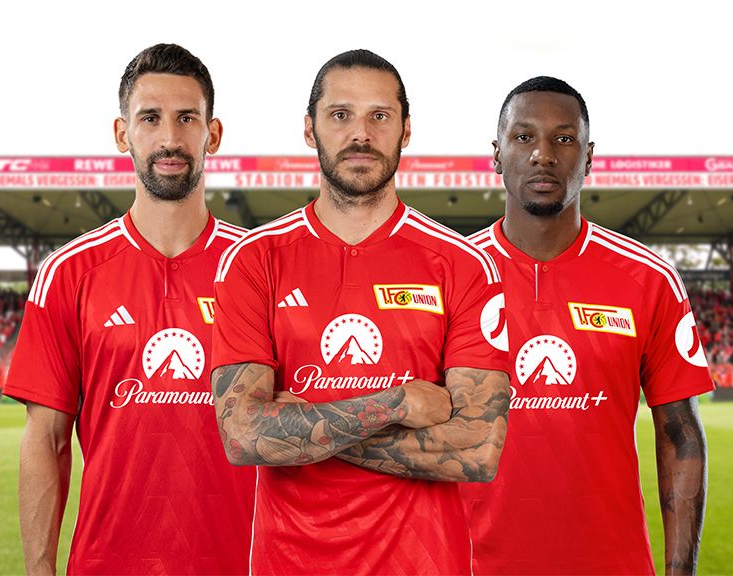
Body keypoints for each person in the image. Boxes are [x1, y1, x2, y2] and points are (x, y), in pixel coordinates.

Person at [210, 49, 510, 575]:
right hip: (291, 563)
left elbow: (478, 451)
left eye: (380, 116)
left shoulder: (464, 265)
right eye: (340, 115)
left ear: (406, 130)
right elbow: (242, 436)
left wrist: (303, 426)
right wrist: (396, 402)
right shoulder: (254, 260)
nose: (361, 134)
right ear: (310, 129)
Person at [4, 44, 255, 575]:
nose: (170, 139)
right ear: (122, 133)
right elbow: (46, 440)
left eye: (187, 118)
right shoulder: (68, 273)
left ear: (213, 134)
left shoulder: (257, 269)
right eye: (150, 118)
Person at [465, 76, 712, 575]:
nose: (543, 154)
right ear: (496, 153)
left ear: (589, 155)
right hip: (470, 564)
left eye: (563, 138)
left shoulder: (649, 279)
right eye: (524, 136)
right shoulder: (452, 277)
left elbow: (681, 436)